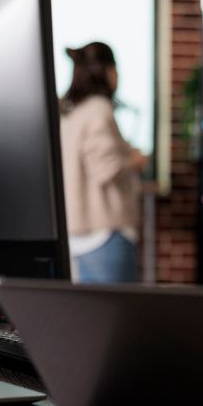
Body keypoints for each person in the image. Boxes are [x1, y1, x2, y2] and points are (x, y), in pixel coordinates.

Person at [59, 42, 146, 283]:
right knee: (118, 317)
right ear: (105, 71)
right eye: (115, 68)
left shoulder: (70, 111)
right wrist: (134, 160)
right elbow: (104, 168)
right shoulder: (99, 109)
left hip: (80, 235)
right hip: (105, 233)